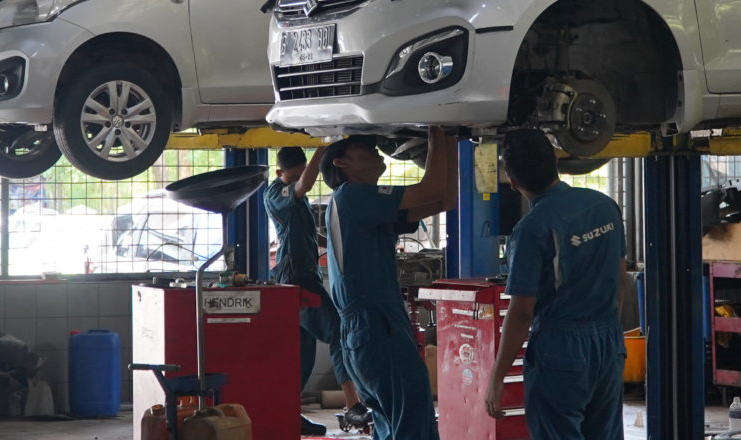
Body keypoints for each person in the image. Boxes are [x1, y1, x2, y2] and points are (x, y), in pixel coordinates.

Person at [483, 128, 627, 440]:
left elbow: (521, 312)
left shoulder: (531, 229)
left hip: (561, 351)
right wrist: (609, 331)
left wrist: (497, 375)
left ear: (512, 180)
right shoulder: (604, 206)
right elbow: (620, 275)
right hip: (608, 343)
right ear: (555, 162)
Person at [320, 127, 457, 440]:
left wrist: (448, 136)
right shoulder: (353, 196)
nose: (374, 150)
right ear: (342, 163)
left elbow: (445, 198)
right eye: (363, 147)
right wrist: (439, 128)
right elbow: (433, 186)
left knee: (396, 424)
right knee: (412, 422)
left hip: (371, 328)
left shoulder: (365, 206)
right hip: (375, 325)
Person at [264, 146, 372, 436]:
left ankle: (288, 414)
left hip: (304, 277)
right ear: (279, 173)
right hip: (294, 280)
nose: (300, 180)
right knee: (338, 332)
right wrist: (322, 148)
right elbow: (304, 185)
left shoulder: (297, 198)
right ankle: (352, 404)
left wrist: (340, 241)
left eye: (302, 174)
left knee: (303, 355)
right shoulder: (275, 195)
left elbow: (309, 234)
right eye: (294, 176)